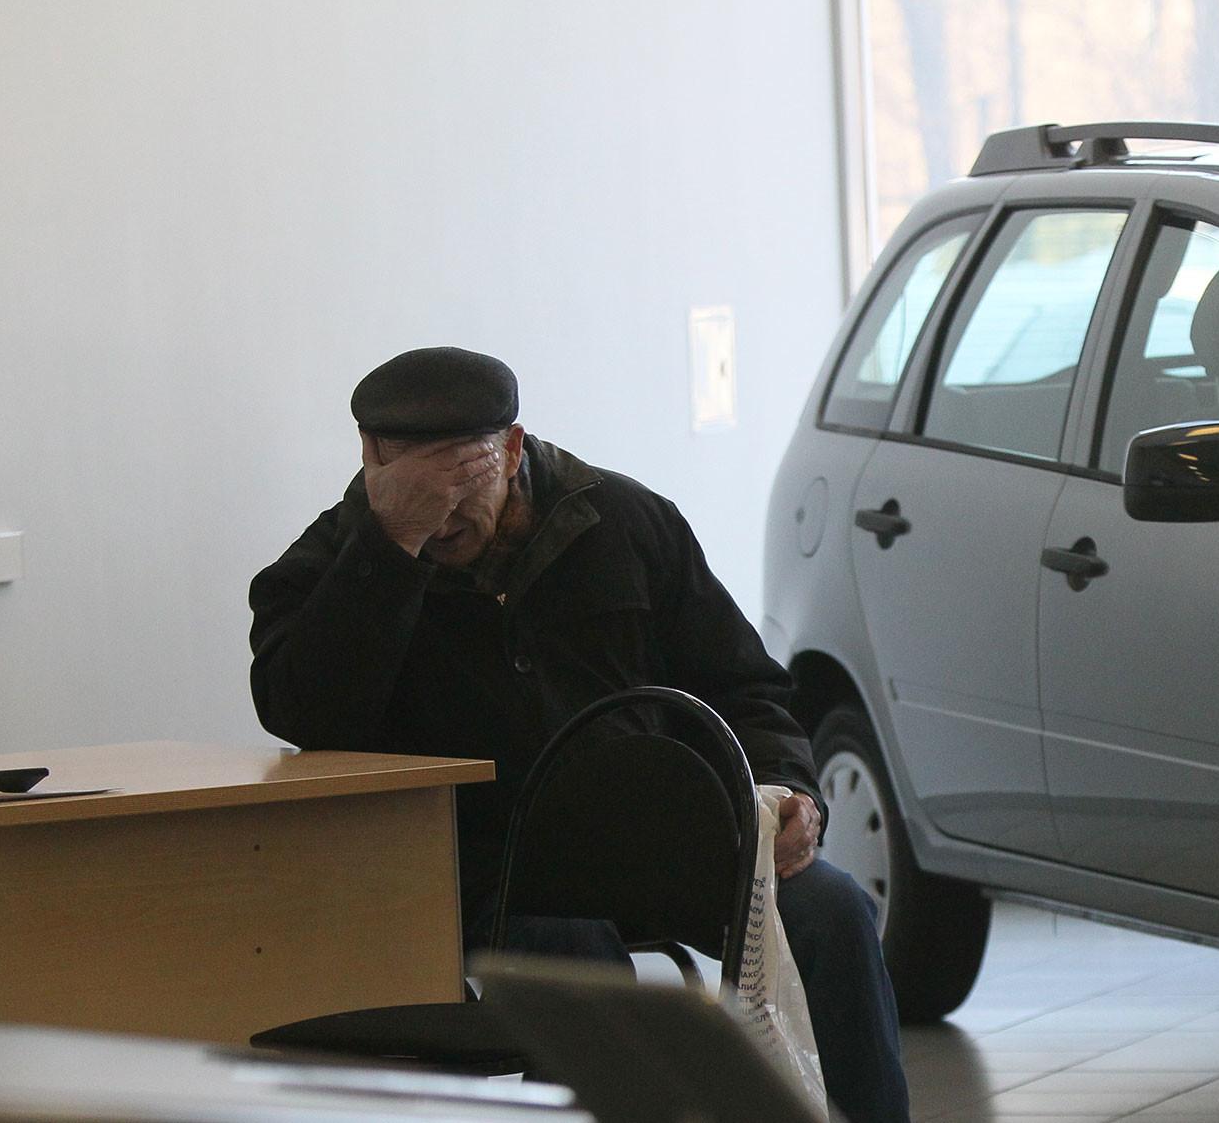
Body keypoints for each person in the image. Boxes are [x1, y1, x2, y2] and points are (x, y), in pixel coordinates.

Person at [248, 346, 909, 1122]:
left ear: (513, 448)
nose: (445, 518)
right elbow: (304, 712)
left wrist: (789, 785)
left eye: (464, 484)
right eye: (422, 495)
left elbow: (744, 685)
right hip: (488, 874)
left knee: (832, 913)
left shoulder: (626, 523)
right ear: (372, 461)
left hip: (659, 842)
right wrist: (391, 549)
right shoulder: (328, 566)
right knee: (576, 965)